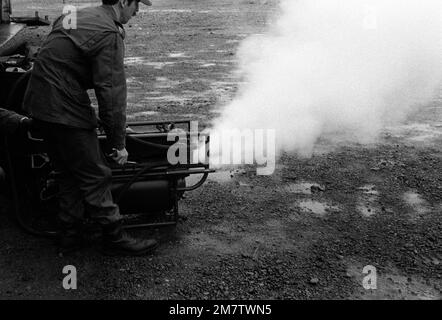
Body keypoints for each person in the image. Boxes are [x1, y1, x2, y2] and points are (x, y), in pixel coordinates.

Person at [23, 0, 157, 256]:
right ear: (122, 2)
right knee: (95, 173)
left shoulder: (79, 15)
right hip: (61, 103)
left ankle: (69, 236)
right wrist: (119, 144)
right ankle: (114, 237)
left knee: (67, 171)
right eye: (136, 4)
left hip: (38, 101)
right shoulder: (108, 32)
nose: (138, 11)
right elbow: (112, 92)